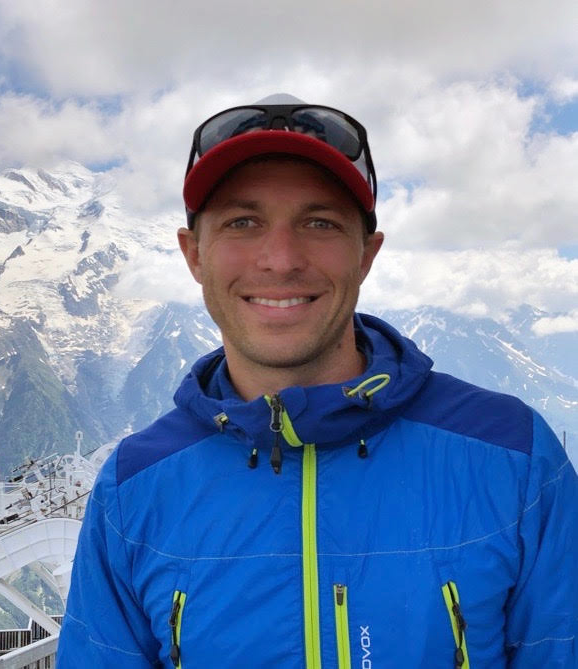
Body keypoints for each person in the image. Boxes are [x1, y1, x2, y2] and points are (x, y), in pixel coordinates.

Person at [56, 94, 578, 667]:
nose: (281, 259)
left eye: (320, 222)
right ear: (194, 255)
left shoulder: (515, 458)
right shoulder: (133, 491)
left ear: (366, 254)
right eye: (243, 221)